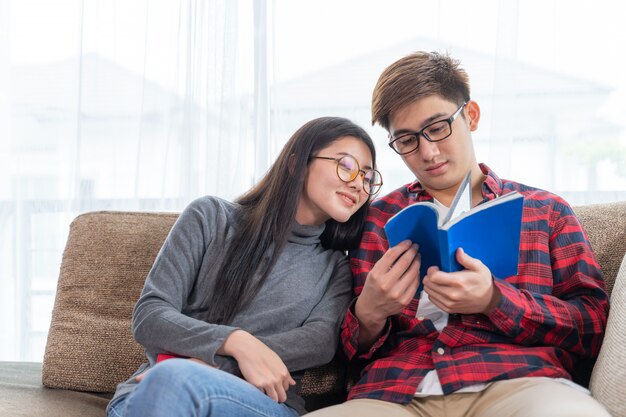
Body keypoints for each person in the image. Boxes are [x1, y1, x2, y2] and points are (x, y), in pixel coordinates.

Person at [307, 52, 610, 417]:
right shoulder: (376, 221)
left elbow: (593, 327)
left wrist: (496, 300)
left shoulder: (546, 211)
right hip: (396, 393)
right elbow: (348, 352)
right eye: (406, 140)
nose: (428, 152)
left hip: (519, 383)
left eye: (437, 128)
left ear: (471, 116)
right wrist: (368, 314)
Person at [106, 116, 383, 417]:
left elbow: (318, 343)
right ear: (296, 164)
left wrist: (215, 365)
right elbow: (151, 316)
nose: (358, 184)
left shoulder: (336, 267)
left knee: (174, 378)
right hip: (152, 395)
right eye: (346, 166)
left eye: (368, 178)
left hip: (259, 404)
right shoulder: (210, 217)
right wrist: (236, 342)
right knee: (169, 382)